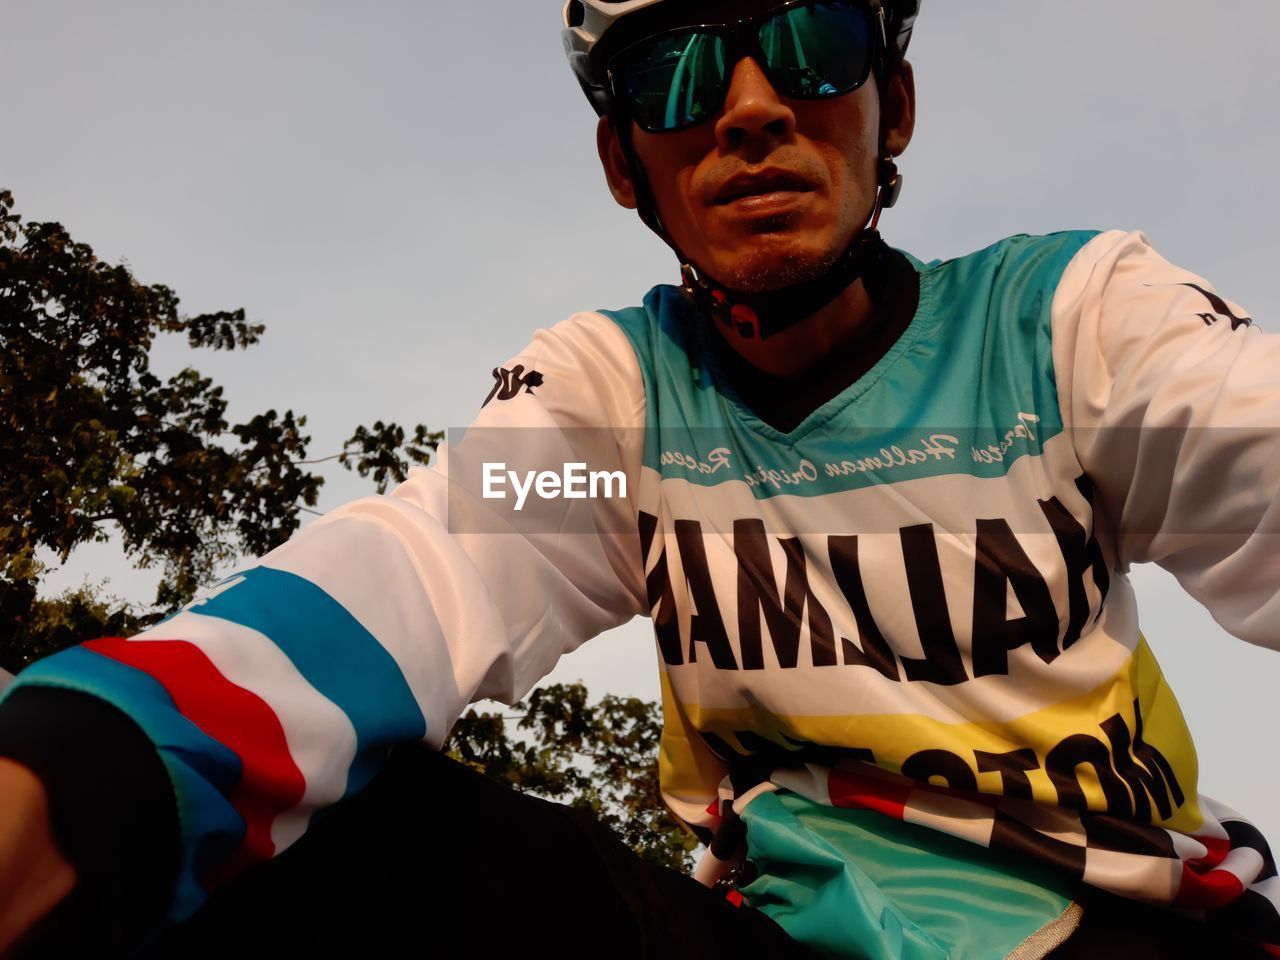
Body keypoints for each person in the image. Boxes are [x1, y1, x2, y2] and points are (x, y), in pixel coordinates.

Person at [1, 1, 1278, 957]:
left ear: (893, 99)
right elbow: (435, 566)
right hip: (791, 939)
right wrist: (80, 761)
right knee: (244, 828)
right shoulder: (619, 408)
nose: (750, 109)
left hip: (1136, 925)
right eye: (674, 73)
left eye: (810, 41)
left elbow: (1242, 440)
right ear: (625, 169)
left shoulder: (1066, 323)